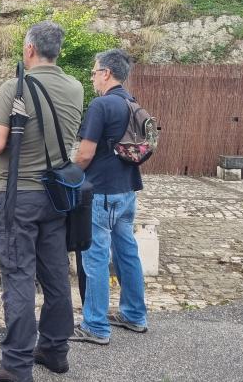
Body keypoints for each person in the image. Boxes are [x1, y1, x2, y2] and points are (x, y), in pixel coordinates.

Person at [0, 21, 83, 382]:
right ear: (58, 51)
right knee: (55, 275)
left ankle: (16, 364)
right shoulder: (76, 87)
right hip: (56, 196)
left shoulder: (15, 87)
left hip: (19, 195)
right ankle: (55, 351)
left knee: (20, 277)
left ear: (29, 50)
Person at [70, 49, 148, 345]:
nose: (92, 78)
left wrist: (72, 174)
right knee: (127, 252)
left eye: (93, 72)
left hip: (101, 192)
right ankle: (134, 315)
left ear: (106, 73)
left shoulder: (101, 105)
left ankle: (95, 325)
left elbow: (86, 153)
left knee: (96, 257)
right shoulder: (131, 102)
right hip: (127, 189)